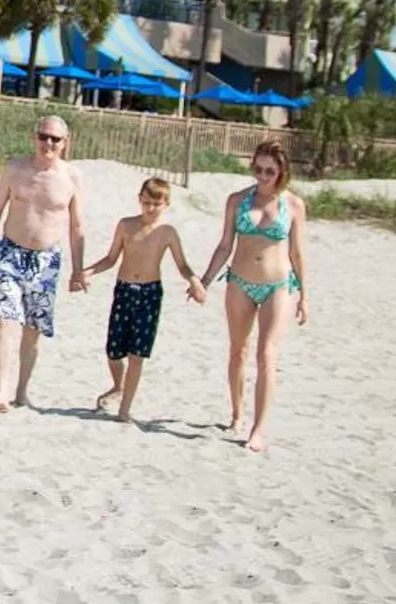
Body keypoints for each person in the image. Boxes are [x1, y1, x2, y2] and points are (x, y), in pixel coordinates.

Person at [196, 138, 312, 454]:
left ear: (282, 172)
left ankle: (258, 429)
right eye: (257, 169)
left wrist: (305, 295)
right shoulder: (237, 200)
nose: (262, 176)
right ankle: (237, 413)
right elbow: (225, 246)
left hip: (278, 285)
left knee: (267, 354)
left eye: (269, 171)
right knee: (238, 351)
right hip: (240, 282)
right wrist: (205, 280)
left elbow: (298, 253)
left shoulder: (294, 205)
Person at [0, 116, 86, 413]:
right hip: (10, 252)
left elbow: (76, 226)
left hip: (46, 259)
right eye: (43, 136)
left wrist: (78, 269)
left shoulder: (71, 177)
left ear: (65, 142)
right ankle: (1, 390)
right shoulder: (15, 170)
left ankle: (21, 391)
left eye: (55, 139)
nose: (48, 143)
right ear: (34, 137)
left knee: (33, 329)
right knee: (3, 318)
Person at [70, 175, 200, 423]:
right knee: (113, 350)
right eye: (146, 203)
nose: (150, 209)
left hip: (150, 293)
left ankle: (124, 409)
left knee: (137, 353)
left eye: (156, 204)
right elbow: (110, 259)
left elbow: (182, 265)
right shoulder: (126, 225)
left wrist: (193, 281)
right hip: (124, 290)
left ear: (166, 205)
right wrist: (87, 272)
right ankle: (118, 385)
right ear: (139, 200)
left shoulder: (167, 232)